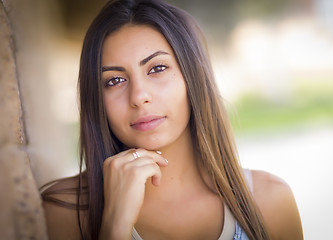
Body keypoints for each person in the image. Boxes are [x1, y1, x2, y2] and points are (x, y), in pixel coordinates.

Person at [41, 0, 303, 239]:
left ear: (194, 77)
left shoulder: (270, 201)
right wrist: (114, 223)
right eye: (115, 80)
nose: (139, 96)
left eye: (157, 68)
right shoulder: (63, 213)